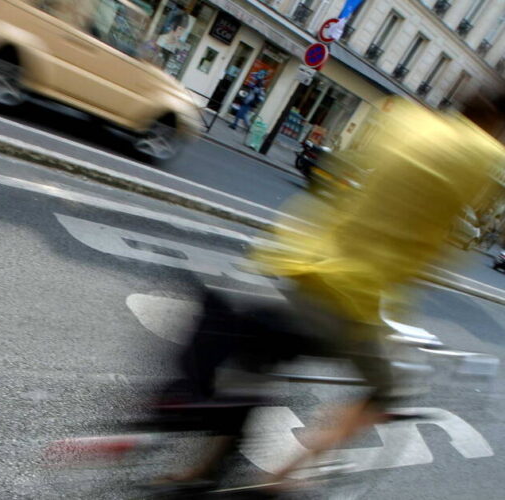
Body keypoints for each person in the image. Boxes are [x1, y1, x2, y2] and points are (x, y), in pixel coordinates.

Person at [154, 88, 505, 494]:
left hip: (304, 266)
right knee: (388, 390)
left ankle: (203, 471)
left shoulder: (408, 120)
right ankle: (282, 478)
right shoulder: (485, 156)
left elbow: (343, 184)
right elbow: (438, 251)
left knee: (257, 364)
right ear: (496, 124)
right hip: (354, 297)